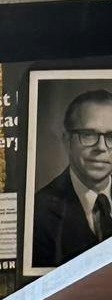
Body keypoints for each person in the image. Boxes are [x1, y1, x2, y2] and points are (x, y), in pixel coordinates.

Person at [31, 88, 112, 270]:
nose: (101, 147)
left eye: (111, 136)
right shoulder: (38, 211)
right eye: (88, 135)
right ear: (66, 141)